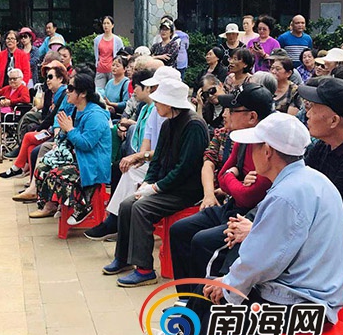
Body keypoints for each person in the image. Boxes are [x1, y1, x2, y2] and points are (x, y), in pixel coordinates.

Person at [148, 114, 343, 335]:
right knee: (215, 289)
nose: (250, 153)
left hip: (308, 311)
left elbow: (261, 261)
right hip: (310, 296)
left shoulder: (287, 195)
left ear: (267, 151)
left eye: (254, 146)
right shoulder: (309, 180)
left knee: (222, 311)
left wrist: (230, 286)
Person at [102, 79, 209, 287]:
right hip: (167, 185)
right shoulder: (168, 123)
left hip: (185, 190)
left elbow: (184, 169)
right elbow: (158, 159)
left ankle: (145, 269)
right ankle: (123, 258)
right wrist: (148, 182)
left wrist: (156, 188)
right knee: (127, 204)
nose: (156, 104)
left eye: (159, 101)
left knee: (141, 208)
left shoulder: (194, 125)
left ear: (170, 103)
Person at [169, 83, 274, 294]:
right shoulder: (240, 137)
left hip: (247, 216)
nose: (226, 114)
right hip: (230, 206)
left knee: (202, 241)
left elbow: (248, 196)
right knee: (179, 230)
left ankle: (202, 301)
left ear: (252, 117)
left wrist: (231, 177)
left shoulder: (267, 146)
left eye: (233, 110)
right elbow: (222, 176)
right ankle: (186, 296)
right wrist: (234, 178)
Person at [84, 67, 176, 241]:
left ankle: (116, 223)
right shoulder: (153, 110)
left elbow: (169, 152)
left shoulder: (180, 117)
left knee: (129, 172)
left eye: (155, 87)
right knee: (127, 168)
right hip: (155, 163)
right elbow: (147, 139)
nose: (153, 92)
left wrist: (141, 158)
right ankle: (116, 221)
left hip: (168, 171)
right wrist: (140, 158)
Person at [29, 72, 111, 223]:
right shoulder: (76, 110)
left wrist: (70, 130)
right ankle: (52, 205)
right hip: (77, 158)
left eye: (71, 88)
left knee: (56, 175)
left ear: (83, 93)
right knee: (42, 167)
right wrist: (63, 133)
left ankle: (83, 204)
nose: (67, 91)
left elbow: (86, 144)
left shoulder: (96, 115)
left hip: (91, 164)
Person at [299, 77, 343, 274]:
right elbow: (297, 186)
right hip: (316, 237)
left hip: (341, 252)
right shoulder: (323, 146)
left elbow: (316, 213)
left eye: (314, 108)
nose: (307, 114)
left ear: (334, 121)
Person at [0, 63, 71, 180]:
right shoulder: (53, 93)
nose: (47, 80)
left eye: (50, 77)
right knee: (31, 146)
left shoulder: (64, 94)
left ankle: (18, 167)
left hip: (58, 132)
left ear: (60, 79)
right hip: (51, 128)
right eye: (46, 77)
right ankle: (32, 181)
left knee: (29, 135)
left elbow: (55, 116)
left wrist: (42, 129)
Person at [93, 16, 125, 90]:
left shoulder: (117, 40)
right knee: (98, 90)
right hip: (100, 69)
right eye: (104, 23)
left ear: (112, 25)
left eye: (108, 23)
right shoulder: (97, 39)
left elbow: (121, 54)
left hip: (113, 70)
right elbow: (96, 54)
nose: (106, 25)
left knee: (112, 90)